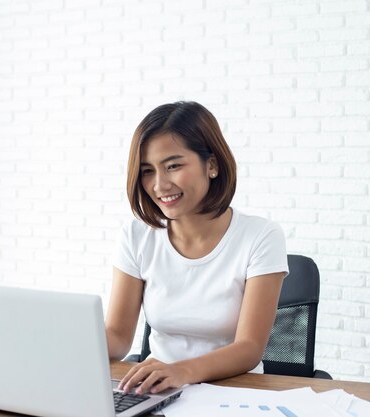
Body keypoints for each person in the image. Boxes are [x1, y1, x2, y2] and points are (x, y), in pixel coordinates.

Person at [105, 101, 289, 396]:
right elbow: (117, 337)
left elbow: (249, 348)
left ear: (212, 165)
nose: (159, 184)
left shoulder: (260, 236)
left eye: (173, 166)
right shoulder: (136, 236)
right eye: (147, 171)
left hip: (236, 392)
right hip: (157, 390)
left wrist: (181, 371)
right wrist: (61, 346)